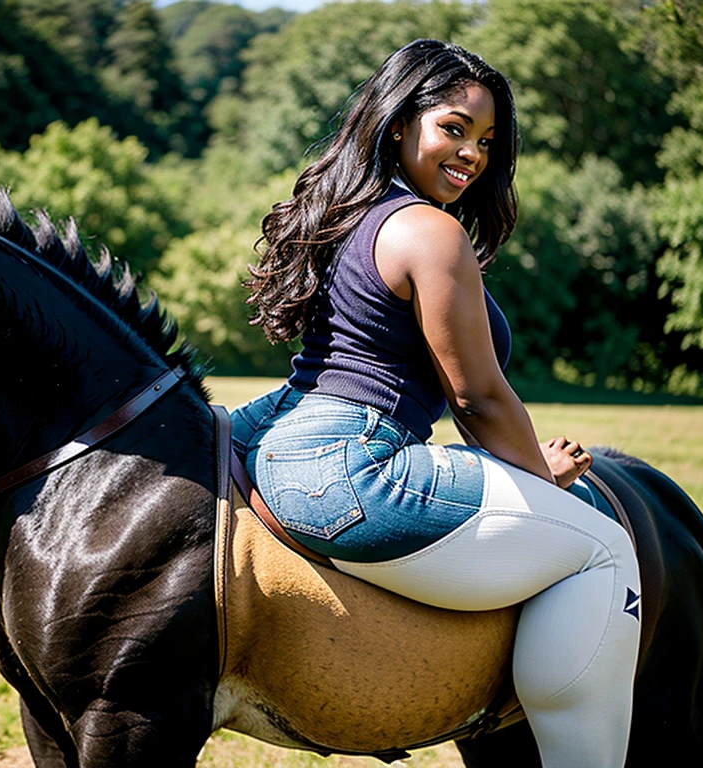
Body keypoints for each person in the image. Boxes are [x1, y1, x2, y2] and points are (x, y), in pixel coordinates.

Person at [230, 39, 640, 768]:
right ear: (398, 125)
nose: (472, 154)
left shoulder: (346, 213)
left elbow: (323, 371)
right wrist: (538, 483)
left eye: (486, 140)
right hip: (361, 471)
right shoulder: (429, 230)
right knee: (604, 548)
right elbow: (477, 398)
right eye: (453, 128)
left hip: (286, 447)